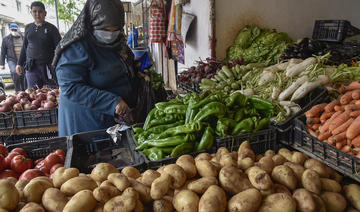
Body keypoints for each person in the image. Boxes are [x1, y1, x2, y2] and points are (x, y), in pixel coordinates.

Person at [53, 0, 139, 136]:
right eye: (105, 30)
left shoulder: (118, 42)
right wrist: (112, 102)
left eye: (116, 29)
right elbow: (70, 87)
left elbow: (122, 64)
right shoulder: (77, 47)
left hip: (113, 120)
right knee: (96, 155)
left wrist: (134, 69)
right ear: (91, 22)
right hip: (86, 124)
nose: (111, 34)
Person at [16, 1, 61, 89]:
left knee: (52, 92)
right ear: (31, 12)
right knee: (33, 94)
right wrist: (19, 63)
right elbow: (25, 47)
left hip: (48, 67)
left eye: (40, 11)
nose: (37, 14)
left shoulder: (52, 29)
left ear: (45, 13)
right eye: (34, 11)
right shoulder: (28, 28)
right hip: (31, 68)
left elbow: (59, 48)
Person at [0, 23, 26, 92]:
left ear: (18, 29)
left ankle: (24, 90)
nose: (14, 31)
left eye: (15, 29)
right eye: (12, 30)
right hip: (12, 59)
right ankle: (17, 90)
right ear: (10, 30)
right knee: (15, 72)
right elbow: (3, 51)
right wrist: (2, 64)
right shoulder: (6, 39)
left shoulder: (23, 37)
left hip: (22, 59)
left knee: (23, 74)